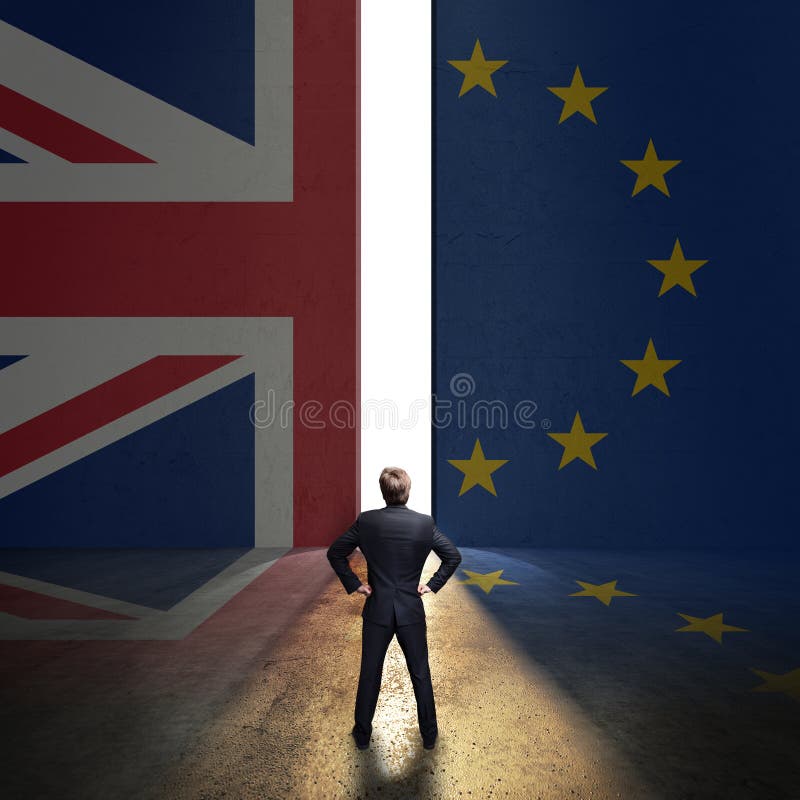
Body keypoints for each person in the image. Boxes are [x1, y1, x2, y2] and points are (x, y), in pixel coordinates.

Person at [326, 466, 462, 751]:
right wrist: (431, 585)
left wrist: (357, 584)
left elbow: (335, 553)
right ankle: (429, 736)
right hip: (411, 611)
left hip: (377, 610)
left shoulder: (367, 522)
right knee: (420, 674)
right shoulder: (424, 524)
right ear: (407, 491)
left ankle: (362, 736)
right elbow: (453, 556)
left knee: (370, 673)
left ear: (383, 491)